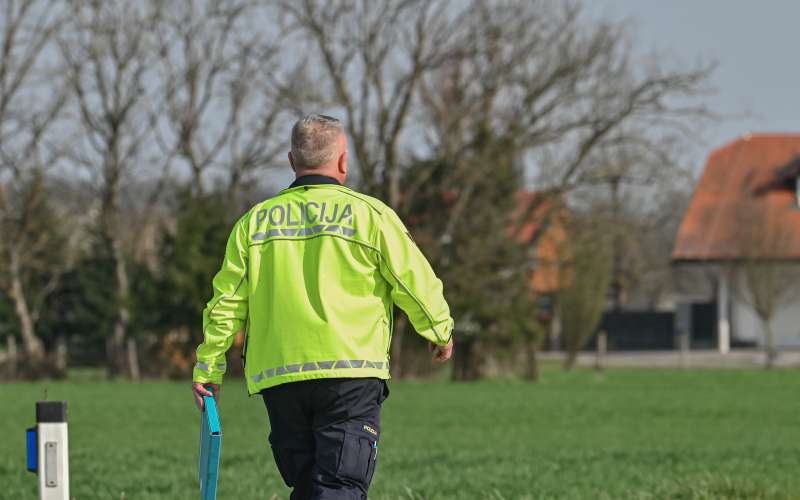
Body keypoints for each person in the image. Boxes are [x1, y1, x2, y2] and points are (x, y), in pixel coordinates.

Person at [191, 114, 454, 499]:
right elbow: (413, 281)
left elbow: (226, 304)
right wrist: (439, 329)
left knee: (311, 486)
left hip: (280, 378)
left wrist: (209, 366)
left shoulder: (253, 224)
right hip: (350, 371)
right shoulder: (371, 216)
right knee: (338, 487)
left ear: (291, 160)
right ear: (343, 161)